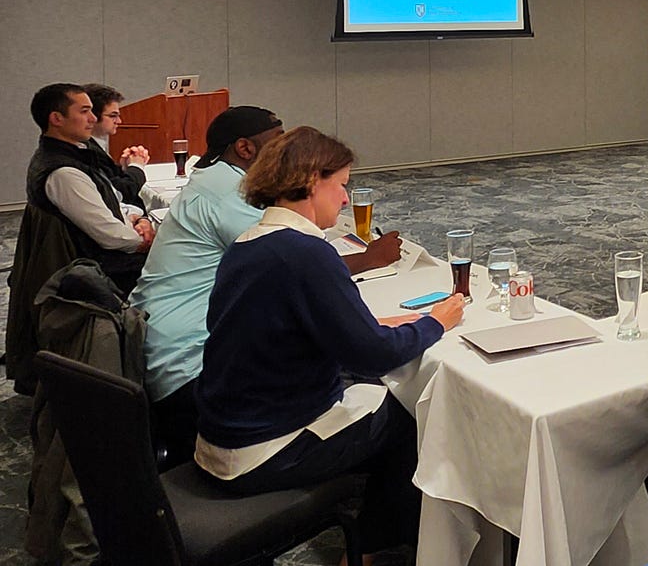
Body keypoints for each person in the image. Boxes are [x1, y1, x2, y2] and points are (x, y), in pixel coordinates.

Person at [193, 127, 463, 557]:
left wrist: (369, 325)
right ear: (311, 180)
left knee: (372, 391)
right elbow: (374, 355)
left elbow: (290, 328)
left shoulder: (248, 244)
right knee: (418, 411)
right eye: (340, 186)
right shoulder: (305, 253)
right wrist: (436, 322)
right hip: (264, 450)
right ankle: (378, 548)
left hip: (220, 436)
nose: (343, 199)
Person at [132, 106, 402, 459]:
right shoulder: (227, 193)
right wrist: (368, 259)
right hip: (191, 369)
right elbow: (297, 260)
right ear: (245, 149)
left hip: (177, 350)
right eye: (278, 142)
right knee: (388, 399)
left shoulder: (215, 180)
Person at [6, 85, 158, 394]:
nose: (92, 118)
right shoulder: (62, 170)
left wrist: (135, 220)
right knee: (170, 269)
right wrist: (145, 239)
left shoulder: (73, 154)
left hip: (93, 251)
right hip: (92, 267)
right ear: (56, 118)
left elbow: (108, 205)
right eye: (84, 111)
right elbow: (108, 235)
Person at [83, 82, 151, 210]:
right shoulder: (86, 151)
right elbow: (120, 193)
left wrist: (123, 169)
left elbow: (111, 181)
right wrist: (136, 166)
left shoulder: (95, 145)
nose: (119, 121)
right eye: (113, 116)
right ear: (92, 117)